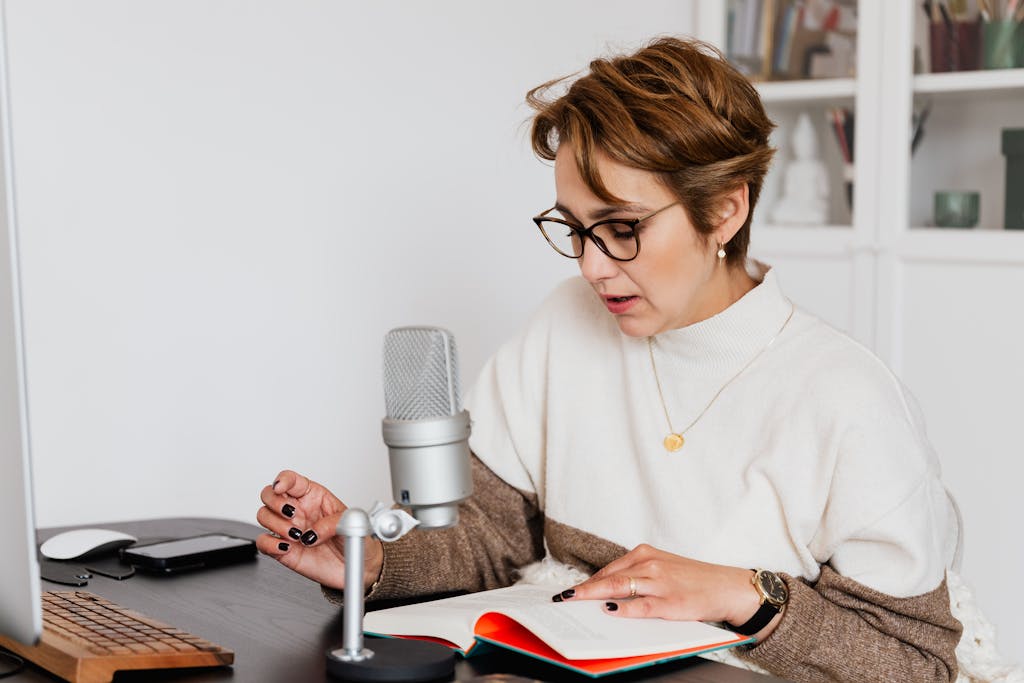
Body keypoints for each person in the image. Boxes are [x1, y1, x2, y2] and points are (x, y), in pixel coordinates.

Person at [256, 37, 963, 682]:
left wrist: (744, 592)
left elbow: (916, 661)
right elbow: (491, 537)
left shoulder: (848, 396)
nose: (593, 267)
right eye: (574, 228)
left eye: (622, 229)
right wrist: (367, 560)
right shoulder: (566, 324)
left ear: (724, 210)